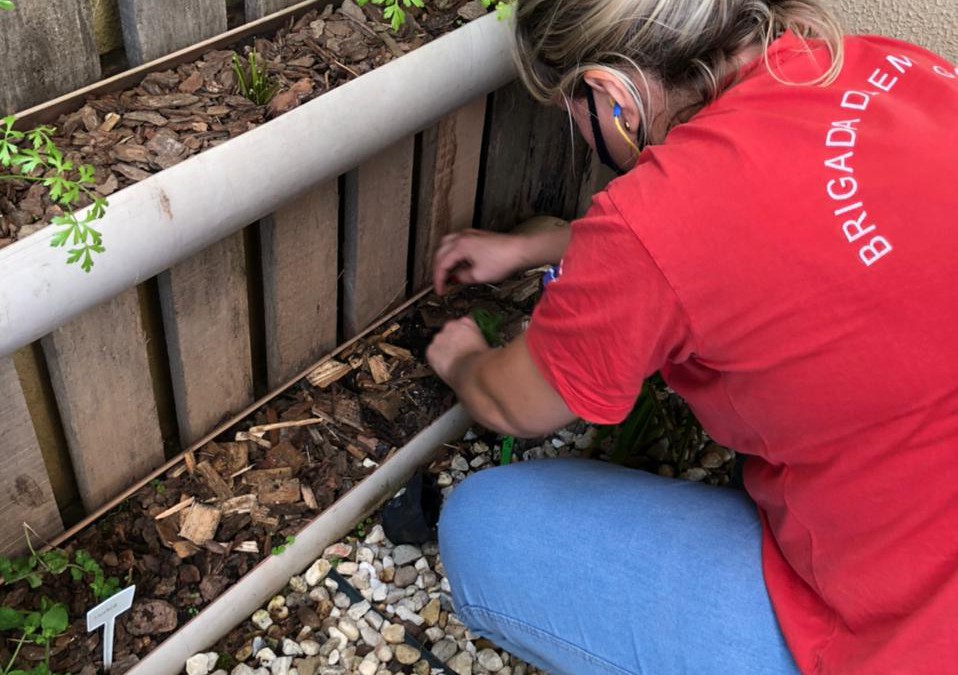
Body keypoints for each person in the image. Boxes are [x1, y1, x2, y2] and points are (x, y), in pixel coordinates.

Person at [424, 1, 958, 674]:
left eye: (571, 107)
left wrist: (467, 358)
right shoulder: (886, 64)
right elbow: (776, 230)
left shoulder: (656, 228)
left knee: (486, 529)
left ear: (614, 97)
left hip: (917, 637)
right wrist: (560, 243)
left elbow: (515, 406)